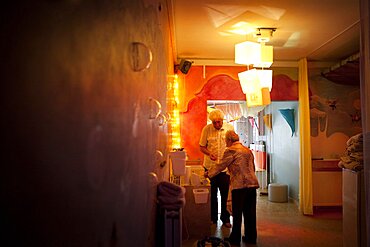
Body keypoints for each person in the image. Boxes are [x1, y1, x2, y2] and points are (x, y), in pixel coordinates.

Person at [205, 130, 259, 246]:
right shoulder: (247, 150)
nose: (225, 143)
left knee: (237, 212)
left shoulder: (230, 150)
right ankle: (251, 237)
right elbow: (252, 167)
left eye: (225, 141)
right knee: (250, 212)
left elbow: (221, 166)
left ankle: (235, 238)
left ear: (229, 140)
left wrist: (208, 173)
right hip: (252, 183)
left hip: (240, 185)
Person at [199, 109, 234, 228]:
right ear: (211, 122)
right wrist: (209, 153)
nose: (217, 125)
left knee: (225, 195)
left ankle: (225, 219)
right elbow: (202, 146)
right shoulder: (206, 129)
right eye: (214, 123)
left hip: (224, 169)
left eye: (219, 122)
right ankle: (212, 218)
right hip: (210, 167)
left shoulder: (229, 128)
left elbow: (233, 146)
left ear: (223, 120)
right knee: (211, 195)